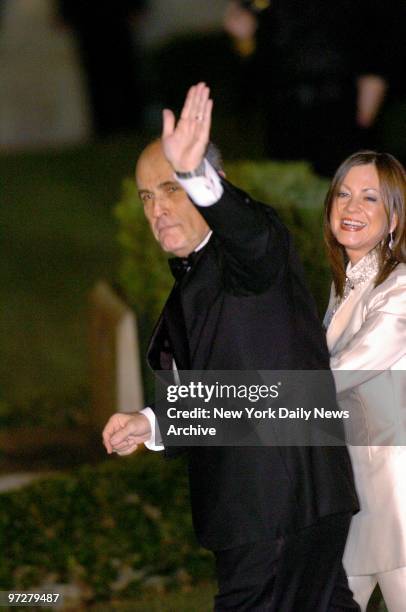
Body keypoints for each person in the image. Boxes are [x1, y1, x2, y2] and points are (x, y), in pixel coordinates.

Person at [103, 82, 360, 611]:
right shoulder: (190, 284)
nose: (156, 210)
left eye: (170, 189)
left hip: (274, 510)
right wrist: (151, 423)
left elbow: (253, 235)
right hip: (291, 506)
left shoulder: (250, 256)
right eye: (146, 197)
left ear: (210, 185)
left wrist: (197, 175)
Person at [323, 151, 406, 611]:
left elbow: (330, 380)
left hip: (398, 505)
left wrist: (203, 410)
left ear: (394, 218)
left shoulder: (399, 291)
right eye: (343, 194)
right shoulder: (347, 285)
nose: (350, 207)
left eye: (369, 198)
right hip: (357, 500)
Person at [223, 0, 405, 176]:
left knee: (348, 178)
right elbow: (252, 46)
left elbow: (379, 29)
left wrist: (374, 82)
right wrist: (244, 39)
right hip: (283, 103)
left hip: (341, 100)